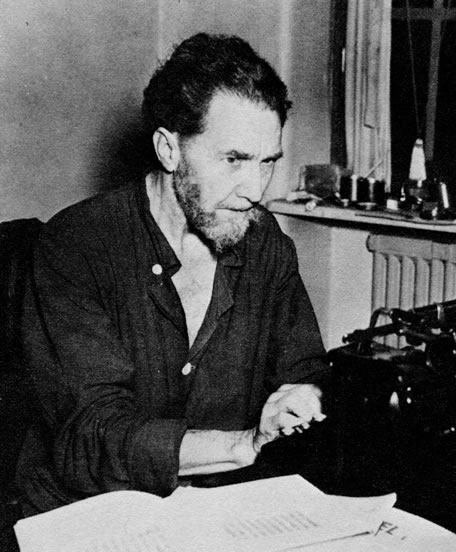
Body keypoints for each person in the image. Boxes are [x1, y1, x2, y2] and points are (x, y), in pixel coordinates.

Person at [16, 33, 330, 515]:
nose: (253, 190)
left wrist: (302, 396)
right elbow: (95, 435)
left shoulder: (267, 246)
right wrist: (243, 442)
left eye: (267, 163)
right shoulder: (78, 246)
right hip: (87, 513)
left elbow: (306, 370)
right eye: (234, 160)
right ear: (169, 149)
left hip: (210, 512)